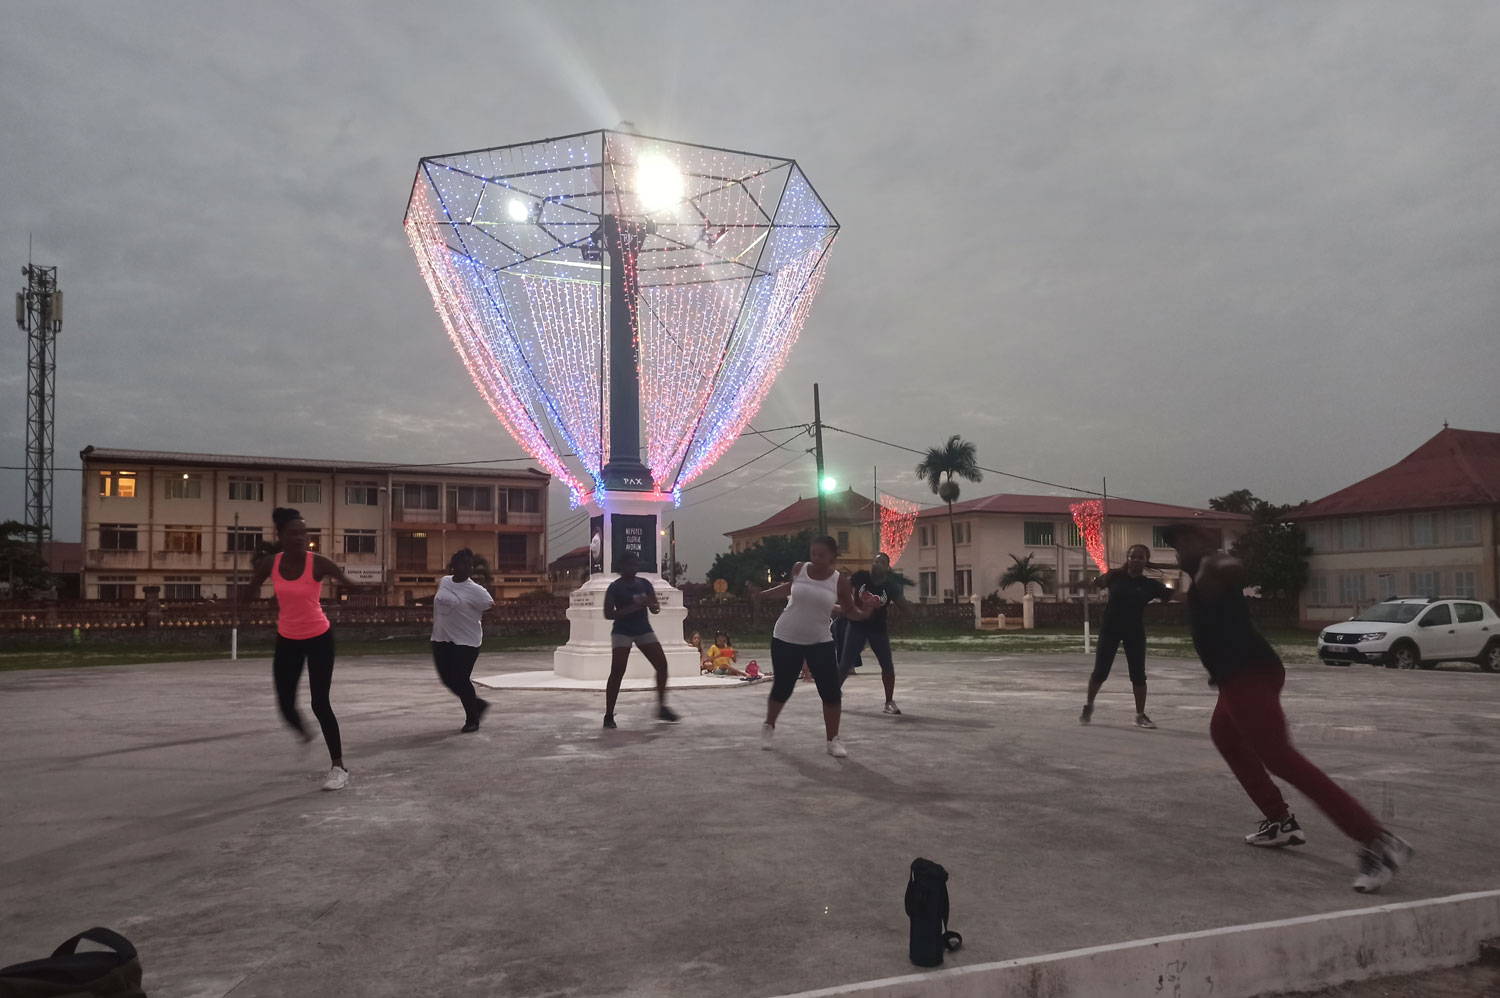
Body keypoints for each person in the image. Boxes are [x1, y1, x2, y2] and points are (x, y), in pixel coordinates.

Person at [1161, 523, 1413, 893]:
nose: (1178, 551)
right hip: (1241, 677)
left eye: (1182, 542)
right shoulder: (1201, 574)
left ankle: (1378, 841)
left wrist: (1229, 563)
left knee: (1281, 759)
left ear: (1204, 542)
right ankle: (1279, 822)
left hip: (1249, 675)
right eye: (1174, 546)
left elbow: (1231, 567)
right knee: (1226, 736)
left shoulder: (1214, 565)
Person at [239, 507, 364, 791]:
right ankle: (304, 732)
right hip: (288, 640)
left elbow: (347, 583)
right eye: (293, 533)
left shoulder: (318, 563)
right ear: (280, 535)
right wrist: (243, 607)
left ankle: (338, 767)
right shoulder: (269, 564)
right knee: (285, 703)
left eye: (303, 532)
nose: (299, 537)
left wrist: (363, 589)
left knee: (320, 703)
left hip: (319, 637)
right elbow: (251, 589)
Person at [757, 536, 877, 757]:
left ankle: (833, 741)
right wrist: (762, 595)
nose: (816, 559)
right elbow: (789, 588)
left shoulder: (839, 581)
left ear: (832, 556)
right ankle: (769, 726)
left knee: (831, 692)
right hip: (785, 637)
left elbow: (849, 610)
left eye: (821, 555)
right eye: (813, 554)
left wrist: (866, 613)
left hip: (820, 641)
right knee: (783, 688)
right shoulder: (799, 568)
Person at [1063, 544, 1172, 728]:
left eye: (1140, 557)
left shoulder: (1150, 585)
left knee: (1138, 675)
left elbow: (1177, 595)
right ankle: (1088, 706)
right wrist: (1072, 584)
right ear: (1127, 558)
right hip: (1110, 630)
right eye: (1132, 556)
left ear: (1146, 561)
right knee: (1100, 672)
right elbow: (1093, 583)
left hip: (1134, 632)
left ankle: (1140, 715)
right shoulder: (1114, 576)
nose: (1136, 559)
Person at [602, 551, 678, 728]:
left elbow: (655, 608)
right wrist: (634, 607)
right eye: (629, 565)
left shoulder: (644, 584)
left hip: (643, 629)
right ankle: (608, 714)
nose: (633, 568)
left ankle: (661, 706)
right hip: (622, 630)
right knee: (617, 671)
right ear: (621, 567)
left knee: (662, 665)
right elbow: (608, 614)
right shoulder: (615, 587)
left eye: (635, 565)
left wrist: (651, 605)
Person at [431, 548, 495, 733]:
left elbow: (491, 606)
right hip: (441, 638)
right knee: (447, 680)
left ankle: (472, 719)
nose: (468, 568)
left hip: (466, 641)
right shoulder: (444, 581)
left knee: (460, 679)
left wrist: (476, 619)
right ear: (453, 566)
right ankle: (478, 704)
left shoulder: (477, 591)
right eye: (464, 564)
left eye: (470, 565)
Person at [838, 552, 903, 714]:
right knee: (845, 664)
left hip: (878, 629)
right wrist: (847, 604)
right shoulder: (861, 576)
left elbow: (902, 602)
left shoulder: (890, 584)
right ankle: (833, 694)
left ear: (887, 567)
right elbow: (843, 586)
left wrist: (912, 612)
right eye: (875, 561)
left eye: (881, 562)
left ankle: (889, 701)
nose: (876, 564)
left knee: (887, 665)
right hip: (857, 626)